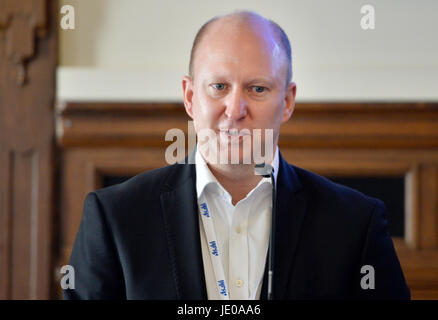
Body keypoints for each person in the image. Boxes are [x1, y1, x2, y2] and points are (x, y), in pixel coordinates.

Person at [64, 11, 410, 300]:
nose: (235, 109)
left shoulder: (355, 224)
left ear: (287, 102)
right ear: (189, 96)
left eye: (257, 88)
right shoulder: (115, 218)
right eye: (219, 87)